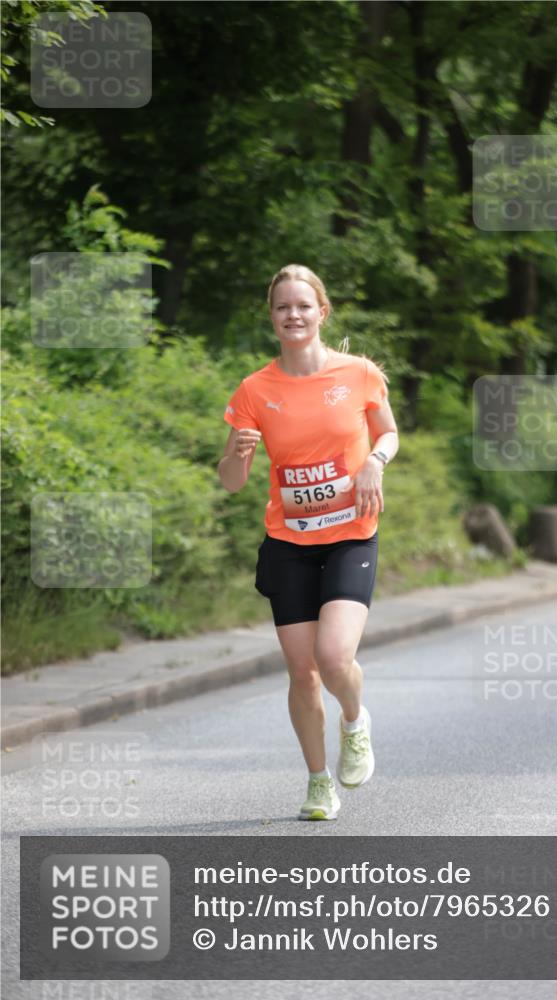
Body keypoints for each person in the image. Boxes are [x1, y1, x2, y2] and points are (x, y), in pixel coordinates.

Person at [218, 264, 399, 820]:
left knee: (333, 653)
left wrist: (373, 461)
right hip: (289, 541)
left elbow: (389, 431)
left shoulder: (360, 373)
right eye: (282, 307)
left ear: (322, 312)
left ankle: (354, 720)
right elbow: (230, 480)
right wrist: (239, 455)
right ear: (271, 317)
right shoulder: (254, 390)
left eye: (302, 306)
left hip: (350, 535)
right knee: (302, 671)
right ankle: (319, 783)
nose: (292, 315)